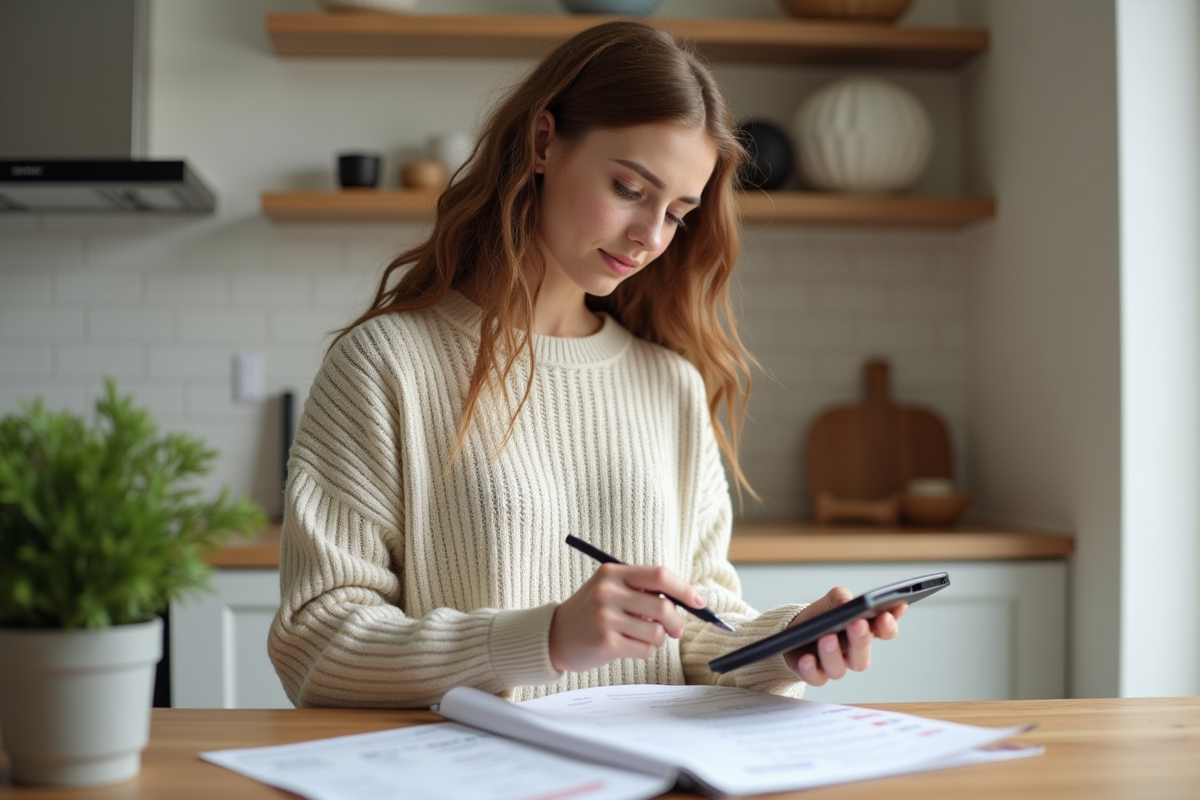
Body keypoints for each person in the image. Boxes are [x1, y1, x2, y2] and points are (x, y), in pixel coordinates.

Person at [267, 20, 904, 709]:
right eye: (631, 189)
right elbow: (318, 646)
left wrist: (782, 643)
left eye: (678, 213)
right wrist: (546, 638)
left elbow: (692, 631)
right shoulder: (385, 366)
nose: (651, 236)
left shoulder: (671, 384)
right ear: (544, 143)